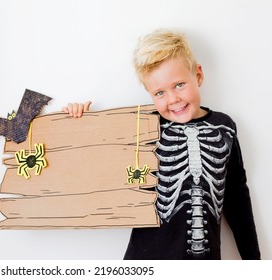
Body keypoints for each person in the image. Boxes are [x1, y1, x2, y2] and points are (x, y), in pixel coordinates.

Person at [62, 29, 261, 259]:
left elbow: (238, 200)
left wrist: (254, 264)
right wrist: (77, 123)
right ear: (149, 94)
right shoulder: (143, 126)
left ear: (198, 75)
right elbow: (95, 161)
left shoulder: (224, 127)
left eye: (179, 85)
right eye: (159, 92)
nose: (173, 99)